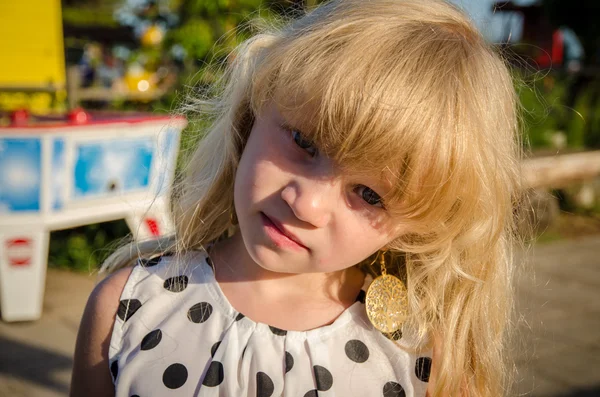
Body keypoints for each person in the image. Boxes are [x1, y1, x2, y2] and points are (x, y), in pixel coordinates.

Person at [70, 0, 522, 396]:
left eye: (369, 194)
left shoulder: (421, 354)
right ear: (253, 111)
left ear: (421, 227)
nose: (306, 205)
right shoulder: (129, 307)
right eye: (304, 142)